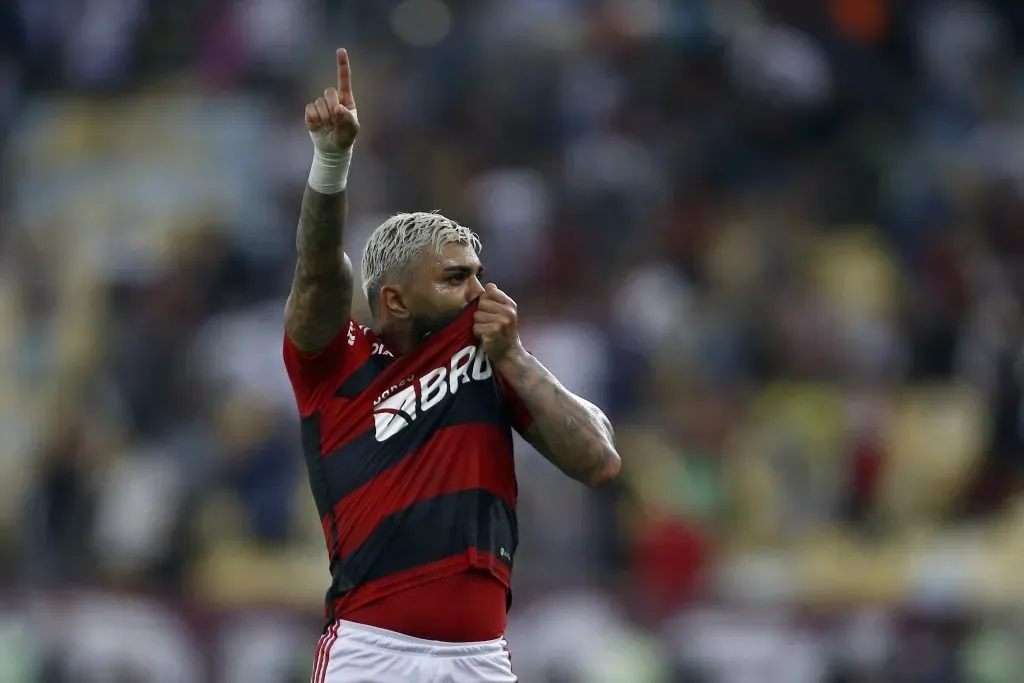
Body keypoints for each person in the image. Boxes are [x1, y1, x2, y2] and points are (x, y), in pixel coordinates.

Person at [282, 48, 621, 683]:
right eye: (455, 278)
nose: (479, 292)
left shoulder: (493, 357)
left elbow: (599, 460)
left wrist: (516, 358)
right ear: (394, 298)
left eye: (479, 275)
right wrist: (332, 163)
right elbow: (319, 272)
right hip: (371, 653)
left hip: (481, 658)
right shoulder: (337, 361)